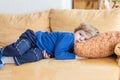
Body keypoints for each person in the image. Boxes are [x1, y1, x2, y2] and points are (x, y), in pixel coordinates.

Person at [0, 23, 99, 69]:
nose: (81, 38)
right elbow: (59, 54)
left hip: (39, 49)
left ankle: (4, 60)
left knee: (34, 57)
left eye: (85, 39)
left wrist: (49, 56)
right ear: (75, 31)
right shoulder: (69, 37)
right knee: (19, 49)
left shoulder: (73, 48)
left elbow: (56, 52)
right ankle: (2, 51)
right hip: (33, 39)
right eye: (80, 34)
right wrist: (77, 57)